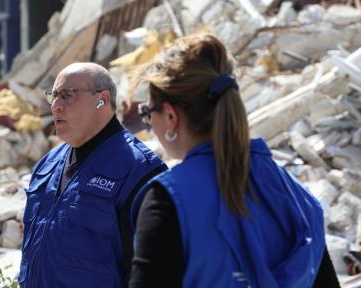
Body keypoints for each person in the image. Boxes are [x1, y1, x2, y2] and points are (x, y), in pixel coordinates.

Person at [128, 34, 339, 287]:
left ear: (171, 116)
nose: (149, 124)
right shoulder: (294, 194)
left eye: (148, 113)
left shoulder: (167, 200)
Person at [18, 62, 167, 288]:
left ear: (102, 100)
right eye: (54, 96)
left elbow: (154, 272)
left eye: (67, 95)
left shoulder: (139, 171)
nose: (56, 106)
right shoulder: (46, 166)